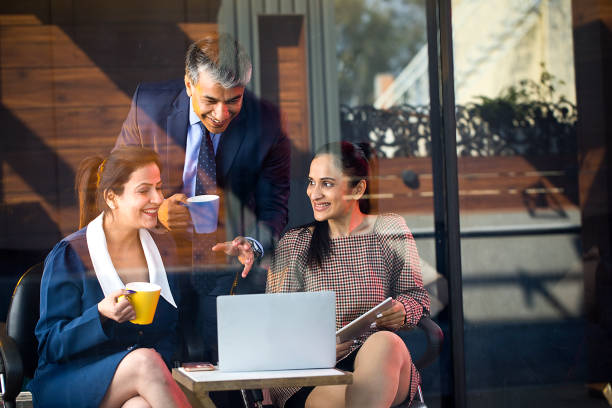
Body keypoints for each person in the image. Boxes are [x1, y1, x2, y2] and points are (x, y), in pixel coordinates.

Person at [115, 33, 291, 362]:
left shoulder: (267, 122)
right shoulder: (148, 107)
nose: (222, 114)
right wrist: (155, 212)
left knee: (228, 368)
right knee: (160, 363)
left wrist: (252, 244)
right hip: (157, 263)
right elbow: (116, 187)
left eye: (234, 100)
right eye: (210, 100)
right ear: (188, 84)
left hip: (229, 269)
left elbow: (275, 206)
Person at [266, 141, 431, 408]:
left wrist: (403, 309)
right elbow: (275, 326)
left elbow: (417, 297)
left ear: (358, 189)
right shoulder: (295, 244)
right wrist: (317, 350)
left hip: (382, 360)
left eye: (327, 184)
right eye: (311, 182)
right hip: (315, 371)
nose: (314, 194)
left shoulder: (389, 230)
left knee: (384, 342)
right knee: (359, 396)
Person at [28, 147, 190, 408]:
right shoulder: (70, 255)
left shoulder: (164, 248)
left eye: (159, 188)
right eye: (144, 190)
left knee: (139, 406)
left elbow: (170, 332)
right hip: (68, 381)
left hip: (139, 382)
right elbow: (49, 345)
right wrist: (99, 316)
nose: (158, 199)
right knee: (144, 361)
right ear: (112, 198)